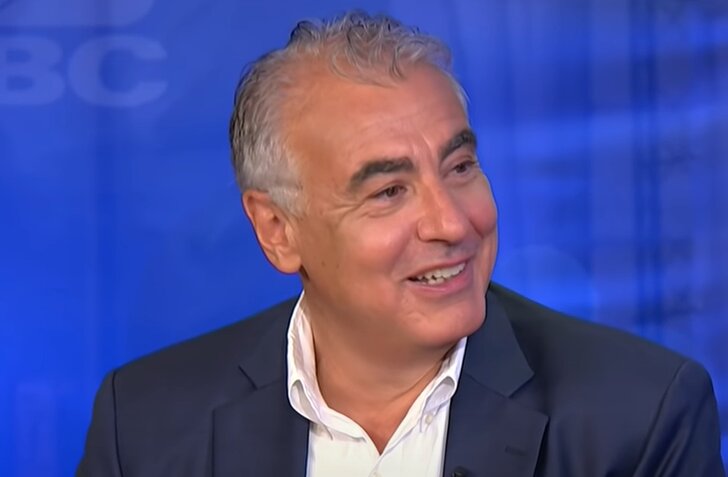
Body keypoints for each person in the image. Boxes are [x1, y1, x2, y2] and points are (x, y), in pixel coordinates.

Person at [77, 11, 724, 477]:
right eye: (389, 191)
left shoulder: (639, 419)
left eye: (460, 167)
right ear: (278, 230)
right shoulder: (143, 426)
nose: (452, 222)